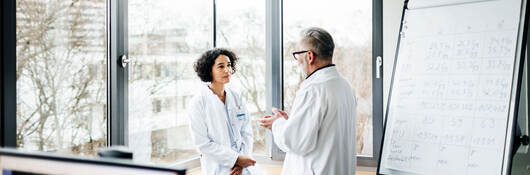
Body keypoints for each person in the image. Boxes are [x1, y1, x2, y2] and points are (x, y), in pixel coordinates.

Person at [259, 27, 357, 175]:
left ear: (309, 56)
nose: (297, 60)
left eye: (297, 54)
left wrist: (276, 124)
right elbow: (322, 130)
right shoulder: (344, 85)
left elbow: (295, 141)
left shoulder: (314, 89)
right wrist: (289, 122)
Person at [188, 48, 261, 175]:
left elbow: (246, 133)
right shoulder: (198, 102)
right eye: (221, 66)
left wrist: (241, 163)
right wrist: (236, 159)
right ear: (209, 70)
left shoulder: (236, 96)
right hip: (218, 169)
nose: (227, 70)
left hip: (244, 168)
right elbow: (203, 144)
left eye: (229, 65)